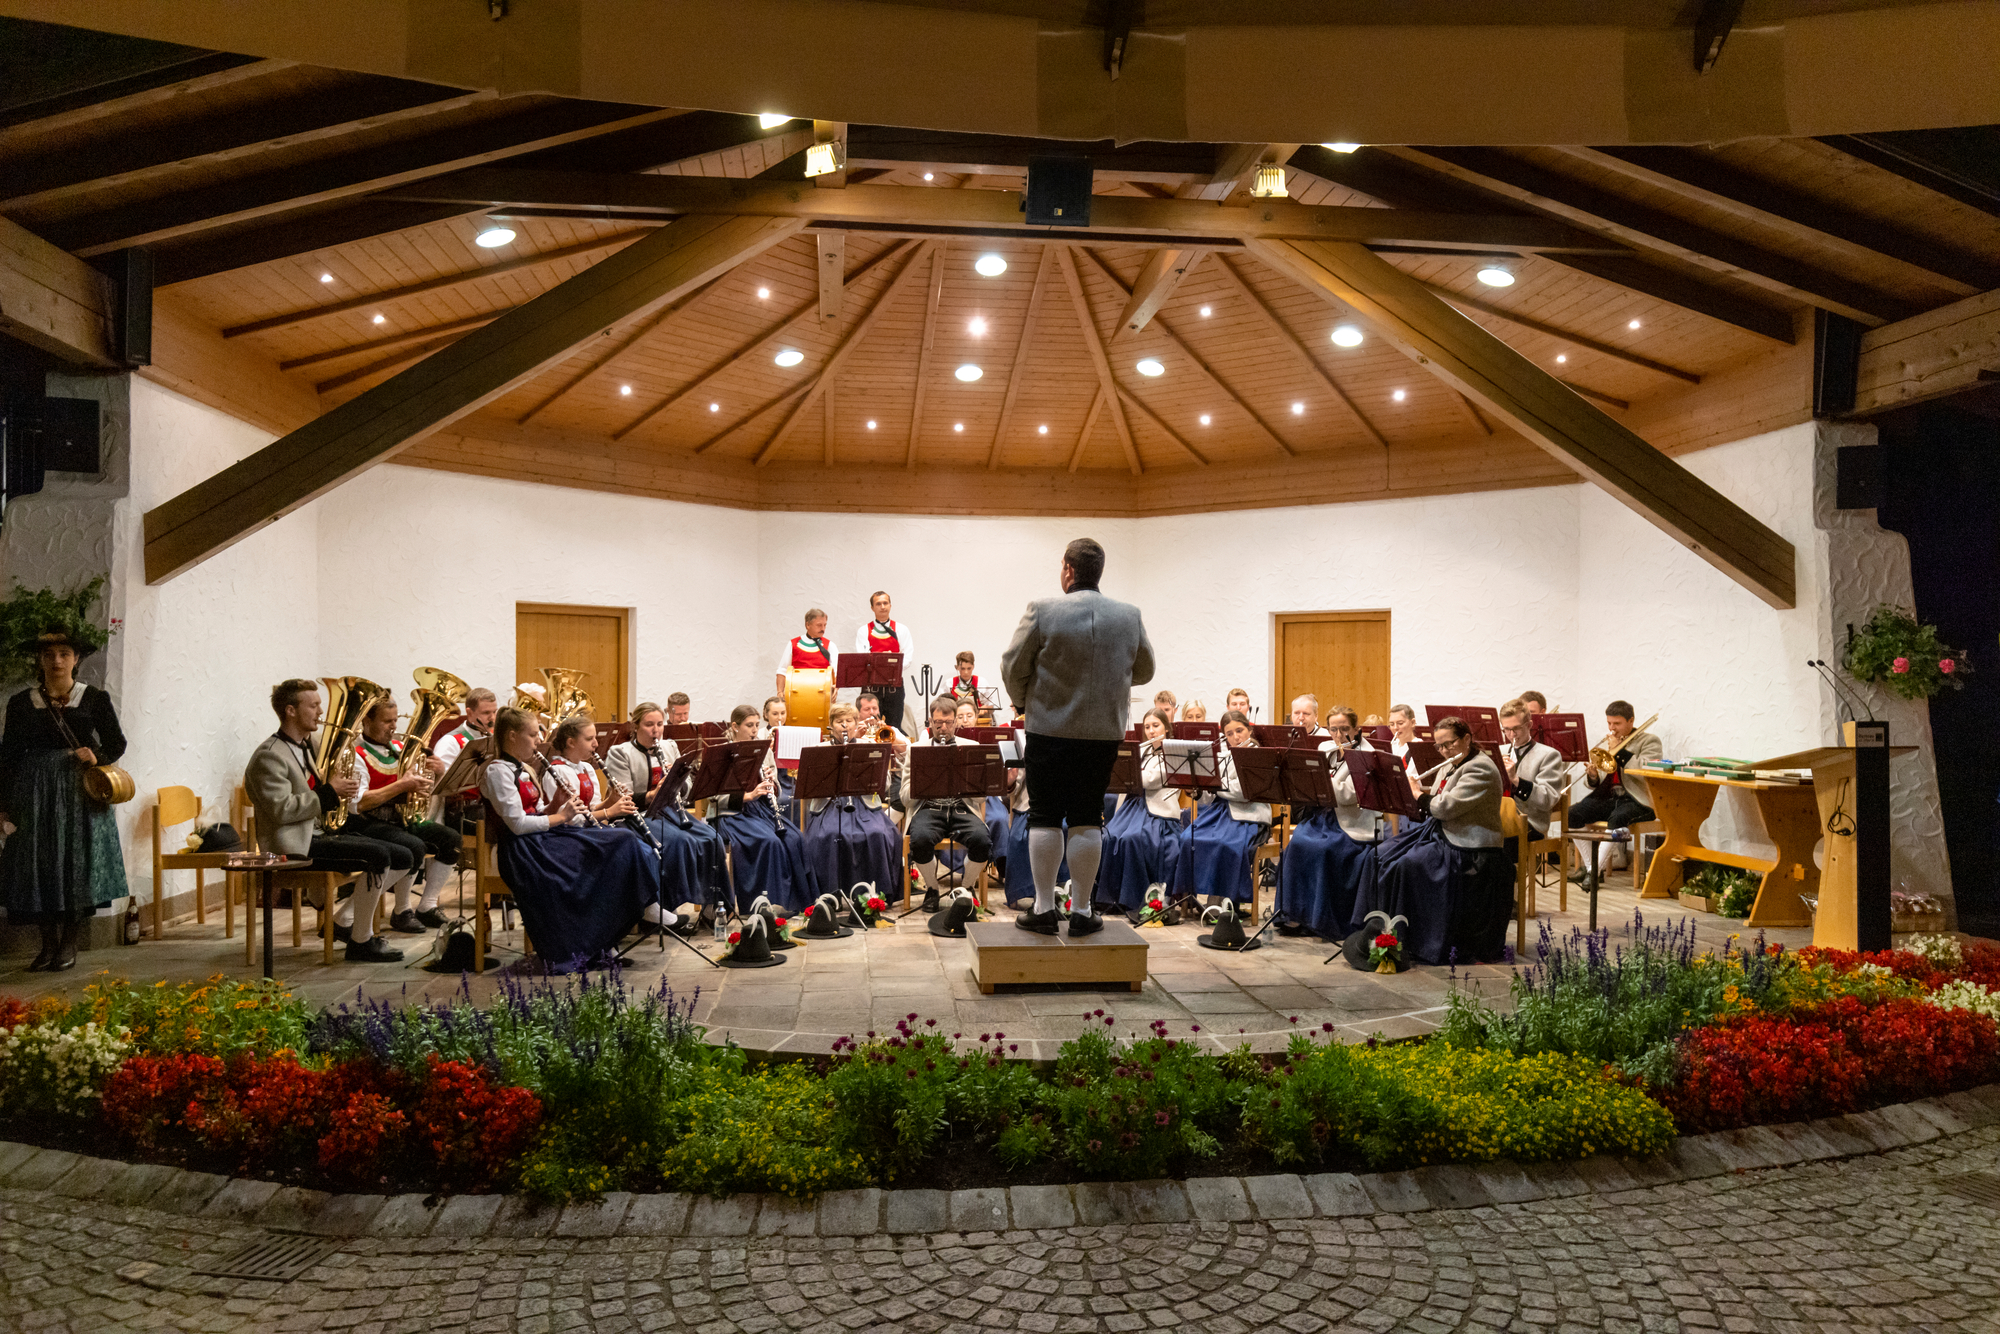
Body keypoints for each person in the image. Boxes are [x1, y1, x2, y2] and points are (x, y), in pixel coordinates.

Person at [1001, 536, 1155, 936]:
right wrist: (1108, 679)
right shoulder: (1129, 615)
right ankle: (1083, 912)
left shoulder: (1043, 609)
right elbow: (1145, 670)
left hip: (1048, 729)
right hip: (1102, 732)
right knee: (1089, 815)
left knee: (1045, 814)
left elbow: (1012, 666)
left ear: (1068, 569)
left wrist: (1023, 704)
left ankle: (1044, 908)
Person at [245, 679, 411, 963]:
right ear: (291, 711)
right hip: (293, 844)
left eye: (320, 704)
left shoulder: (311, 743)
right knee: (378, 855)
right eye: (314, 705)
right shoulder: (269, 757)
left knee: (402, 854)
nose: (321, 712)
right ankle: (361, 940)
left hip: (319, 833)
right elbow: (280, 810)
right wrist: (329, 793)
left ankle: (349, 926)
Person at [480, 707, 658, 969]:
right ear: (511, 736)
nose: (539, 741)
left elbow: (538, 812)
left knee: (619, 840)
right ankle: (586, 944)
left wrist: (556, 805)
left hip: (543, 838)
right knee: (611, 847)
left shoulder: (525, 768)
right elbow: (517, 824)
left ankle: (603, 937)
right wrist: (562, 816)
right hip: (522, 850)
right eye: (532, 735)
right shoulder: (497, 772)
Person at [0, 628, 128, 972]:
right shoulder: (21, 703)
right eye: (48, 655)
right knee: (39, 864)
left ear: (76, 660)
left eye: (64, 654)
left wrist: (95, 756)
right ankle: (47, 946)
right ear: (39, 661)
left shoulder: (94, 699)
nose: (56, 661)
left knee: (75, 861)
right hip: (34, 791)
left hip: (78, 791)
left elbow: (117, 743)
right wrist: (4, 804)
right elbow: (8, 755)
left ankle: (69, 943)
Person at [1357, 715, 1510, 965]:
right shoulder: (1452, 763)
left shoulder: (1480, 767)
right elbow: (1440, 797)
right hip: (1443, 833)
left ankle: (1415, 940)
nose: (1443, 751)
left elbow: (1445, 807)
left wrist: (1417, 794)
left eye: (1449, 744)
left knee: (1407, 865)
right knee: (1382, 854)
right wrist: (1416, 792)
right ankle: (1379, 933)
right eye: (1439, 746)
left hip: (1469, 845)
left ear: (1467, 739)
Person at [345, 695, 460, 933]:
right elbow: (360, 802)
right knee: (413, 845)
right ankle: (402, 910)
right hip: (367, 822)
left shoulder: (400, 748)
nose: (394, 727)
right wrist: (403, 786)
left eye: (396, 720)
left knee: (450, 839)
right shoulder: (355, 753)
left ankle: (427, 905)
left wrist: (437, 774)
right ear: (366, 720)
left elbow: (426, 789)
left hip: (400, 818)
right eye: (387, 721)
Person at [604, 701, 725, 914]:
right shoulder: (620, 752)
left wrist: (677, 781)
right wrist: (652, 795)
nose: (656, 730)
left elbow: (687, 788)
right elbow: (622, 796)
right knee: (681, 842)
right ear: (636, 726)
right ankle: (671, 909)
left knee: (712, 838)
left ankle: (712, 906)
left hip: (670, 812)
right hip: (639, 815)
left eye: (659, 724)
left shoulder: (670, 747)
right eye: (649, 724)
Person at [1277, 706, 1378, 939]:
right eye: (1334, 729)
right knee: (1295, 846)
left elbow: (1350, 795)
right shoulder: (1325, 747)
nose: (1339, 735)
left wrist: (1320, 779)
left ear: (1356, 729)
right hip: (1323, 816)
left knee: (1322, 851)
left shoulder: (1366, 753)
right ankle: (1294, 914)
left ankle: (1319, 919)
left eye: (1345, 729)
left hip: (1351, 822)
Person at [708, 705, 819, 911]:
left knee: (796, 838)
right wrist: (747, 795)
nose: (754, 730)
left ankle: (797, 902)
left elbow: (775, 784)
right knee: (770, 842)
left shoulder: (764, 750)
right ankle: (766, 905)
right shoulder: (723, 754)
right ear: (735, 726)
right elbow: (713, 797)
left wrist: (771, 783)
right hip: (733, 814)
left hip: (761, 811)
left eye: (757, 725)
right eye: (749, 725)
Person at [802, 704, 904, 908]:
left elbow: (882, 785)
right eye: (839, 722)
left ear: (856, 723)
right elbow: (809, 786)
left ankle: (875, 895)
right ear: (831, 726)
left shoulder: (868, 746)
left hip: (863, 804)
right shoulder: (820, 750)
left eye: (849, 721)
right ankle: (829, 896)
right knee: (827, 836)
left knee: (879, 834)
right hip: (829, 805)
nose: (844, 725)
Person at [901, 696, 992, 911]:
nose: (943, 728)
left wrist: (972, 783)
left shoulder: (971, 747)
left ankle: (966, 888)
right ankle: (932, 889)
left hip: (962, 809)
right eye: (938, 723)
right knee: (920, 841)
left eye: (949, 723)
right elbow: (905, 797)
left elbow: (981, 798)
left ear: (956, 723)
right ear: (930, 722)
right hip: (929, 809)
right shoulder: (916, 750)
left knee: (982, 841)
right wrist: (923, 784)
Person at [1177, 710, 1268, 911]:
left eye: (1240, 731)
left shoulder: (1259, 755)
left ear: (1249, 730)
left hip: (1248, 816)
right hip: (1219, 814)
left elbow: (1245, 791)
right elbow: (1211, 797)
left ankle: (1222, 902)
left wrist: (1216, 784)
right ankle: (1190, 896)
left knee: (1226, 845)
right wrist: (1198, 790)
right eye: (1229, 733)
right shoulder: (1222, 756)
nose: (1235, 737)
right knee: (1187, 838)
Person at [1098, 708, 1185, 914]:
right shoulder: (1144, 751)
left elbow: (1149, 780)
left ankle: (1134, 898)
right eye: (1147, 727)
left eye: (1156, 726)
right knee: (1109, 836)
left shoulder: (1173, 752)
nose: (1151, 731)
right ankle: (1111, 898)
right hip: (1134, 808)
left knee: (1131, 839)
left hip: (1158, 816)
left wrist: (1129, 768)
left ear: (1166, 728)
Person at [1569, 700, 1661, 873]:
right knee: (1573, 814)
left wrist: (1620, 751)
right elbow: (1599, 779)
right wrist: (1593, 776)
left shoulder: (1649, 741)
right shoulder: (1608, 742)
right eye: (1609, 723)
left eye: (1617, 723)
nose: (1612, 728)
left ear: (1631, 721)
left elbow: (1647, 771)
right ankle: (1591, 868)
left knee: (1618, 818)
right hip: (1610, 798)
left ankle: (1593, 872)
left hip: (1638, 800)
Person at [432, 686, 499, 830]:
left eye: (494, 712)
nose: (492, 718)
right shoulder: (450, 742)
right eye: (486, 713)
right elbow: (441, 787)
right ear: (469, 713)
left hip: (484, 806)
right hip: (462, 812)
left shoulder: (493, 737)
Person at [1498, 698, 1565, 838]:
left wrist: (1515, 780)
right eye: (1506, 729)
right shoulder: (1499, 751)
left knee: (1493, 842)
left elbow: (1548, 800)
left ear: (1529, 725)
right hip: (1500, 818)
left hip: (1531, 824)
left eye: (1516, 728)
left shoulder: (1549, 755)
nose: (1511, 735)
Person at [852, 590, 913, 733]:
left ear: (890, 605)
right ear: (872, 608)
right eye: (878, 604)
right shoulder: (863, 631)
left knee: (894, 726)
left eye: (885, 603)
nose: (882, 606)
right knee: (868, 725)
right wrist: (885, 661)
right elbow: (863, 658)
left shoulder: (902, 629)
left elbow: (907, 658)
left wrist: (890, 667)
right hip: (871, 687)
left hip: (894, 686)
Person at [776, 607, 834, 694]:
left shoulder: (830, 645)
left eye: (825, 625)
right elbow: (782, 670)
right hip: (797, 695)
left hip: (822, 696)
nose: (823, 629)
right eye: (819, 625)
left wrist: (835, 689)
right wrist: (780, 692)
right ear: (807, 625)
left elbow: (836, 671)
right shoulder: (793, 644)